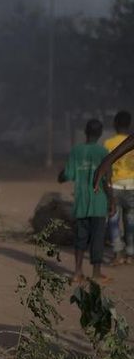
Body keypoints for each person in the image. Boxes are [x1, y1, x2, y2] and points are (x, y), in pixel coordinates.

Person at [58, 119, 115, 284]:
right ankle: (96, 273)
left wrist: (60, 176)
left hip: (81, 201)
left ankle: (77, 272)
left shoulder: (76, 151)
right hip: (99, 201)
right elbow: (107, 180)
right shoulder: (104, 152)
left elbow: (68, 174)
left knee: (80, 236)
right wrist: (111, 200)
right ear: (100, 133)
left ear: (85, 132)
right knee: (98, 237)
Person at [102, 111, 134, 265]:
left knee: (113, 220)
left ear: (115, 124)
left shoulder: (108, 143)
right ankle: (130, 253)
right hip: (132, 185)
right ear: (129, 124)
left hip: (114, 185)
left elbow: (106, 167)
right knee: (131, 221)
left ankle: (117, 254)